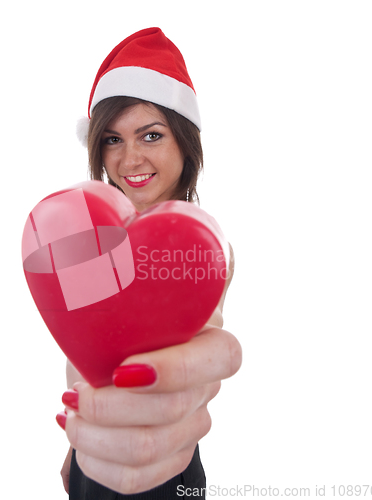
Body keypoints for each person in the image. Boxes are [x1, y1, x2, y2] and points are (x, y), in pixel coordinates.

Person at [56, 27, 242, 498]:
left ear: (185, 142)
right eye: (113, 140)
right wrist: (75, 444)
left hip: (167, 459)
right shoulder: (91, 238)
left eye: (151, 135)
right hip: (92, 452)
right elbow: (82, 354)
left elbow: (182, 361)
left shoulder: (203, 247)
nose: (129, 158)